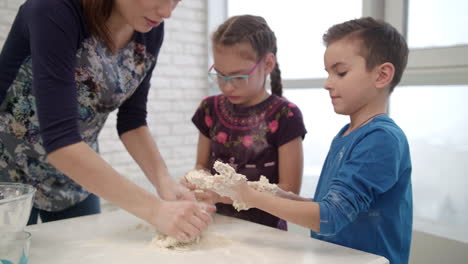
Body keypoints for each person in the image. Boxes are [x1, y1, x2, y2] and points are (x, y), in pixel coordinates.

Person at [0, 0, 214, 241]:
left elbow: (132, 121)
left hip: (76, 175)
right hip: (6, 175)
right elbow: (60, 140)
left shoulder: (149, 29)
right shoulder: (52, 10)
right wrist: (155, 210)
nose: (167, 12)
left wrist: (165, 182)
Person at [226, 17, 412, 264]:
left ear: (382, 75)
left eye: (341, 72)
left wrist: (250, 196)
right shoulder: (347, 134)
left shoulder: (381, 139)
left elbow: (330, 217)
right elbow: (338, 207)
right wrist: (283, 197)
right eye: (328, 73)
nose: (328, 83)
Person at [186, 15, 307, 230]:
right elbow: (201, 166)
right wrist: (197, 180)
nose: (227, 87)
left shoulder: (285, 116)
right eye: (220, 75)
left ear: (268, 63)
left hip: (267, 234)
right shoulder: (209, 109)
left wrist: (225, 194)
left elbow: (289, 192)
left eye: (238, 77)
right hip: (217, 225)